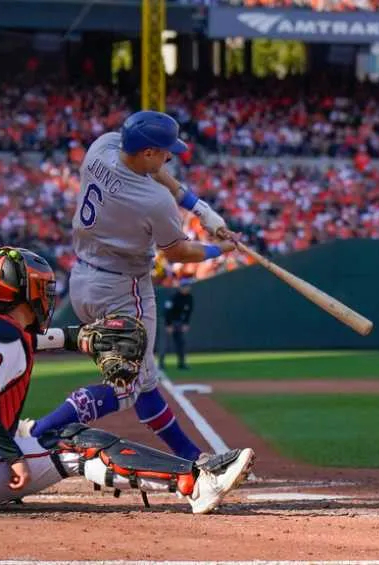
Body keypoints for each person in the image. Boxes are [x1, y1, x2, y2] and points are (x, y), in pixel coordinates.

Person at [0, 247, 254, 514]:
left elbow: (31, 342)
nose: (47, 297)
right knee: (75, 443)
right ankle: (196, 483)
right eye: (42, 289)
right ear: (25, 292)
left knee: (35, 434)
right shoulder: (4, 337)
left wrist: (78, 337)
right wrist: (12, 456)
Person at [22, 110, 238, 462]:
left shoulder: (102, 147)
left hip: (82, 281)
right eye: (165, 150)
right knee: (127, 388)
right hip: (124, 290)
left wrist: (199, 208)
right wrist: (220, 247)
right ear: (149, 152)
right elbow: (180, 252)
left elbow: (156, 172)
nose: (170, 156)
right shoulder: (154, 201)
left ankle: (193, 458)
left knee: (145, 380)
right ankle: (37, 431)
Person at [160, 280, 194, 370]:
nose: (187, 288)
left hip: (179, 322)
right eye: (185, 286)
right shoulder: (174, 297)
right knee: (165, 343)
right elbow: (167, 311)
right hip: (168, 321)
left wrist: (186, 323)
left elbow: (189, 312)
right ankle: (161, 363)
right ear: (180, 287)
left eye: (188, 286)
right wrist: (168, 325)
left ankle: (181, 363)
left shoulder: (189, 298)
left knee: (181, 343)